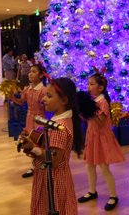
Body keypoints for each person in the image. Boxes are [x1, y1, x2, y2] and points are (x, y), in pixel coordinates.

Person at [21, 77, 83, 215]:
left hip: (53, 181)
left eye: (49, 96)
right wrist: (33, 143)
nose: (43, 99)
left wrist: (34, 149)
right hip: (55, 177)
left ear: (64, 100)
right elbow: (48, 148)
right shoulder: (61, 120)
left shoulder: (58, 127)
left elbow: (54, 160)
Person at [77, 73, 125, 210]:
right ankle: (92, 191)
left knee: (104, 168)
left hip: (101, 138)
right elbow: (87, 120)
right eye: (88, 84)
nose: (88, 87)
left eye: (91, 84)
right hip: (92, 136)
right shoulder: (93, 102)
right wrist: (82, 109)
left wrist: (88, 109)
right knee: (90, 165)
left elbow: (99, 123)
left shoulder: (102, 102)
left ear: (101, 87)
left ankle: (113, 196)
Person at [10, 64, 47, 178]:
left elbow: (47, 106)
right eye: (30, 71)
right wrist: (11, 96)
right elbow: (21, 101)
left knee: (39, 142)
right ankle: (34, 166)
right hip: (29, 118)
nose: (30, 73)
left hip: (39, 119)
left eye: (34, 71)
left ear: (41, 75)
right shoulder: (27, 89)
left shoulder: (44, 90)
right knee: (29, 142)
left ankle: (41, 164)